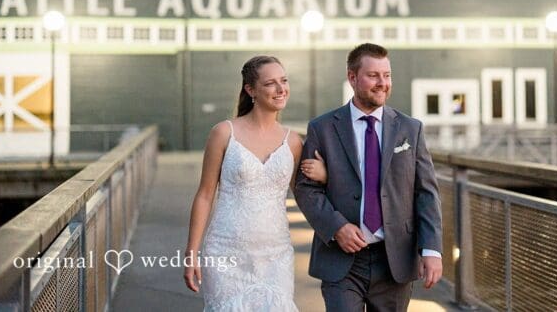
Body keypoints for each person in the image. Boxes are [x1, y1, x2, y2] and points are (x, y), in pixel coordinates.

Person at [294, 43, 443, 311]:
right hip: (341, 261)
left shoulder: (410, 129)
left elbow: (426, 193)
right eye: (373, 75)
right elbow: (306, 189)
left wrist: (431, 250)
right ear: (352, 77)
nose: (382, 83)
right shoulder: (323, 128)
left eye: (387, 75)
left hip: (394, 260)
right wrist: (337, 226)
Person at [183, 55, 327, 311]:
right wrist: (191, 252)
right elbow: (205, 195)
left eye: (284, 80)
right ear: (250, 90)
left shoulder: (293, 142)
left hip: (276, 255)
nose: (281, 89)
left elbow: (306, 196)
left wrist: (324, 177)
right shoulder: (224, 133)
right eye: (271, 83)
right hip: (226, 251)